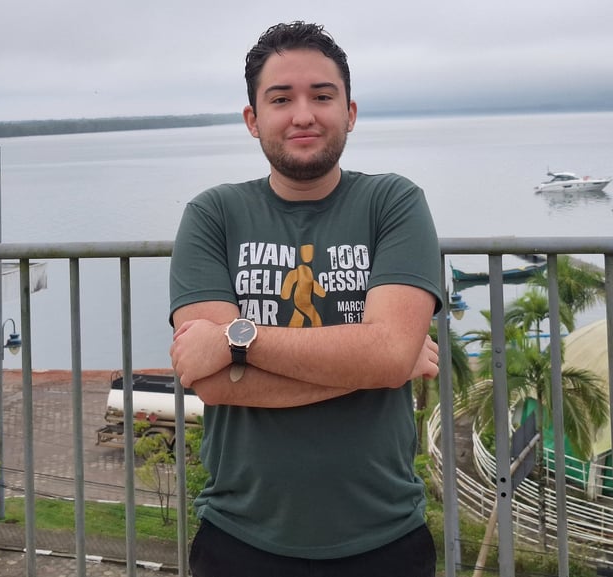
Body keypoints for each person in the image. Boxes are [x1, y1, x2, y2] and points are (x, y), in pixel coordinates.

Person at [169, 20, 442, 577]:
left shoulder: (392, 202)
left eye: (322, 96)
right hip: (238, 535)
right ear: (253, 120)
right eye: (280, 99)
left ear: (350, 112)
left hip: (384, 535)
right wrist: (379, 361)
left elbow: (388, 355)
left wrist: (237, 340)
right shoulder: (213, 215)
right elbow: (209, 379)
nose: (303, 114)